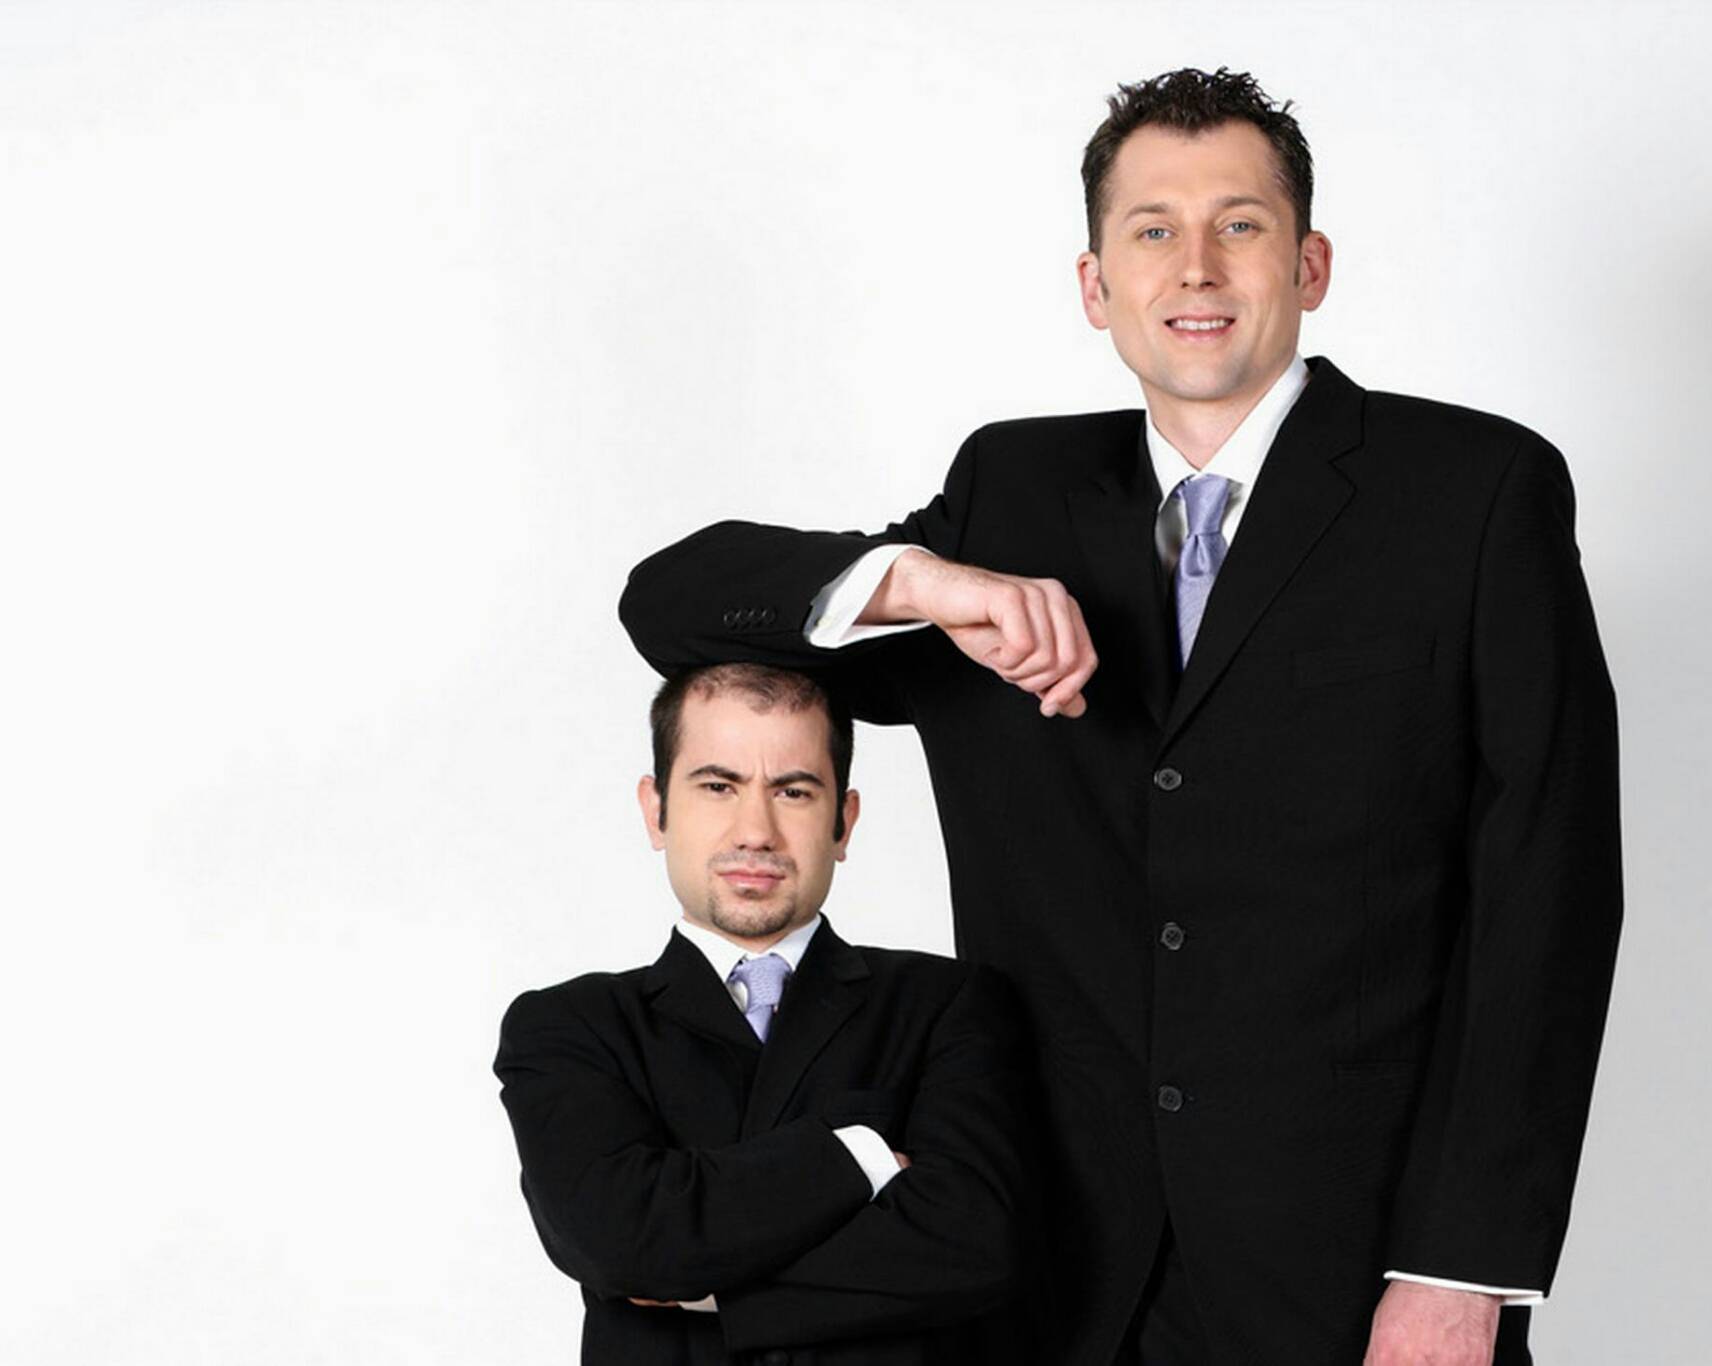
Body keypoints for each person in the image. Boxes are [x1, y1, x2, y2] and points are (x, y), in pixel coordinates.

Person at [618, 68, 1622, 1366]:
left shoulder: (1474, 493)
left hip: (1352, 1271)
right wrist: (922, 583)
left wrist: (1458, 1268)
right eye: (1152, 229)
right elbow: (671, 606)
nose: (1194, 266)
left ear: (1310, 263)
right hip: (1048, 1275)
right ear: (1096, 285)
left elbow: (1549, 895)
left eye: (1239, 223)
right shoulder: (1010, 493)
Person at [495, 663, 1036, 1365]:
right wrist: (860, 1156)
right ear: (656, 810)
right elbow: (621, 1242)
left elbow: (973, 1245)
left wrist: (717, 1291)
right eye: (718, 787)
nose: (756, 831)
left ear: (843, 822)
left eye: (794, 791)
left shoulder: (947, 1005)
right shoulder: (567, 1027)